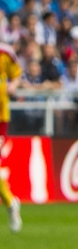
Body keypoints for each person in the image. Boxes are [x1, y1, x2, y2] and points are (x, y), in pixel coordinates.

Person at [0, 42, 22, 232]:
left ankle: (10, 203)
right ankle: (10, 203)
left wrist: (13, 85)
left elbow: (16, 74)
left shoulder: (6, 52)